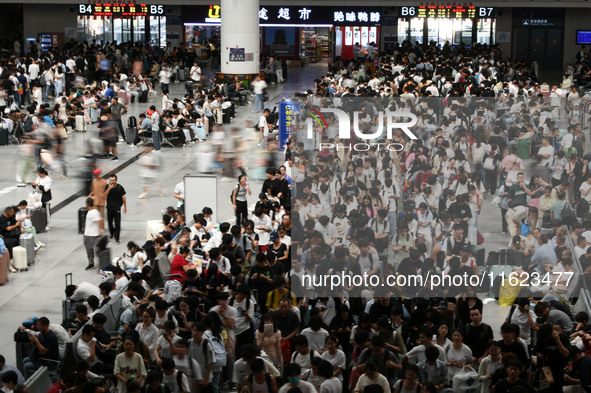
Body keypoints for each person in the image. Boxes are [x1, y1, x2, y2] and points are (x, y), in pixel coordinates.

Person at [104, 174, 127, 245]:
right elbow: (105, 195)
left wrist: (125, 207)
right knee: (110, 222)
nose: (111, 181)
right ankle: (112, 233)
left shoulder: (120, 188)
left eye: (113, 180)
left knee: (117, 223)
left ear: (116, 180)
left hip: (117, 207)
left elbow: (123, 198)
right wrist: (109, 188)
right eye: (110, 180)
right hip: (109, 207)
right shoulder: (107, 186)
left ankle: (117, 238)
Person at [83, 197, 104, 270]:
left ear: (87, 204)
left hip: (92, 235)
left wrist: (100, 230)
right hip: (87, 234)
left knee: (95, 250)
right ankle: (91, 263)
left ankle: (101, 263)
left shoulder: (94, 212)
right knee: (89, 250)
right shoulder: (91, 211)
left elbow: (100, 221)